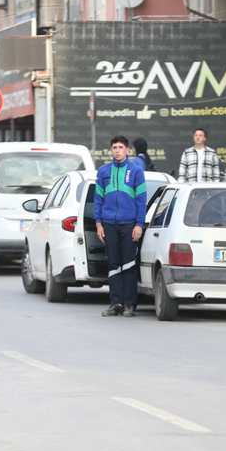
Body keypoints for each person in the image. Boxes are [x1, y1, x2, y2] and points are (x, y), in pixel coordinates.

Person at [95, 135, 147, 317]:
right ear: (111, 150)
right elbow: (98, 199)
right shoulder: (103, 171)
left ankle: (129, 304)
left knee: (129, 264)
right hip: (109, 224)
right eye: (114, 147)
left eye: (120, 147)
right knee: (113, 264)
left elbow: (141, 200)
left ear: (127, 150)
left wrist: (139, 224)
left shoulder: (136, 171)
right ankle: (115, 302)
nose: (117, 150)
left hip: (129, 224)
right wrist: (99, 223)